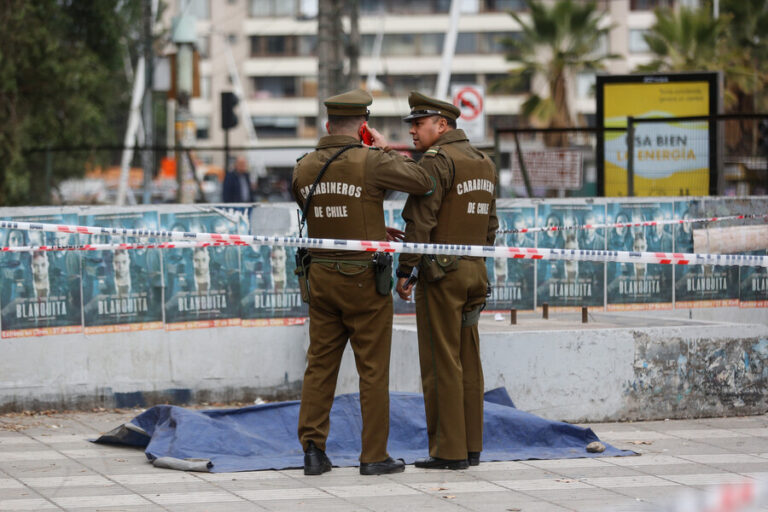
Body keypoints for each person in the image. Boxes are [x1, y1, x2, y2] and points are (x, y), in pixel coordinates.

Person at [292, 88, 435, 476]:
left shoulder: (303, 167)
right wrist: (385, 148)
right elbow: (422, 181)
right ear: (363, 127)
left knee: (319, 366)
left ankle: (312, 451)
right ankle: (373, 455)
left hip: (319, 278)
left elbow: (329, 213)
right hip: (363, 280)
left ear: (326, 125)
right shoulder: (370, 160)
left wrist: (369, 227)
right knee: (372, 368)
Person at [395, 91, 498, 470]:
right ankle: (472, 446)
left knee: (442, 362)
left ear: (442, 125)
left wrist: (407, 269)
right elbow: (491, 224)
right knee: (469, 360)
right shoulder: (483, 161)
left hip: (442, 274)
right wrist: (477, 262)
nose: (413, 133)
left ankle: (448, 451)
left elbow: (421, 221)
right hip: (475, 272)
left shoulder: (438, 161)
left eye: (418, 125)